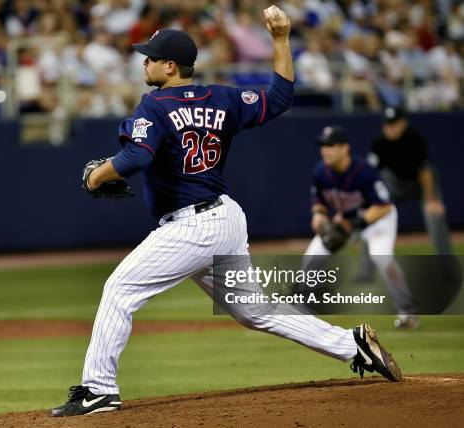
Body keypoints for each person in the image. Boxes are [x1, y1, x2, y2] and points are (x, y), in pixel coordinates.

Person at [50, 6, 402, 418]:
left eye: (150, 57)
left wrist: (96, 176)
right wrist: (282, 39)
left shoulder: (155, 105)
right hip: (226, 218)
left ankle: (98, 389)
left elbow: (135, 157)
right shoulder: (223, 97)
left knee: (119, 290)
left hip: (191, 225)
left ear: (169, 66)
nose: (144, 62)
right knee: (255, 311)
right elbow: (281, 98)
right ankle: (351, 343)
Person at [303, 125, 419, 329]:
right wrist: (318, 214)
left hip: (378, 220)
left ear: (344, 148)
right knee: (312, 256)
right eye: (323, 145)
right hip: (345, 221)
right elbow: (318, 199)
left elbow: (384, 205)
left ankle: (407, 310)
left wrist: (355, 224)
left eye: (331, 145)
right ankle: (303, 311)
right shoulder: (321, 171)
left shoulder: (363, 171)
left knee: (381, 257)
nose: (325, 150)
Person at [371, 107, 452, 256]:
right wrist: (374, 203)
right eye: (388, 124)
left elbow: (425, 171)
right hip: (396, 184)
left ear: (403, 123)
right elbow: (373, 174)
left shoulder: (414, 139)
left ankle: (446, 262)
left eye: (394, 123)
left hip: (422, 184)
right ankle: (365, 271)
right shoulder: (379, 142)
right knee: (371, 216)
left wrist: (430, 200)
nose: (391, 128)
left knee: (434, 215)